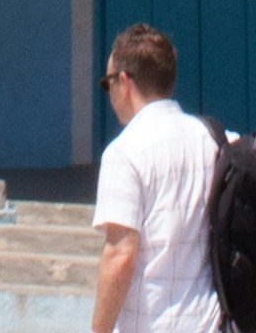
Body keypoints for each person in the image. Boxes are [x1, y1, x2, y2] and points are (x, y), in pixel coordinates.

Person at [91, 21, 223, 333]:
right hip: (212, 324)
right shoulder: (213, 138)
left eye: (107, 82)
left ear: (124, 83)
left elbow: (120, 256)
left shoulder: (124, 153)